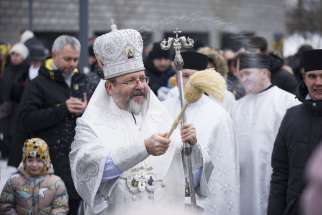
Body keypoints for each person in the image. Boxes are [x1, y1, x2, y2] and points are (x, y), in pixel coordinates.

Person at [70, 28, 211, 214]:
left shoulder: (160, 117)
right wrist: (143, 148)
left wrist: (192, 149)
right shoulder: (90, 125)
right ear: (110, 87)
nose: (141, 86)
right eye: (130, 81)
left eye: (142, 78)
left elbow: (192, 180)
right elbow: (88, 172)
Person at [163, 51, 239, 214]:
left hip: (202, 201)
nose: (187, 82)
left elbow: (222, 169)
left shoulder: (218, 115)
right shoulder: (162, 109)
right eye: (183, 76)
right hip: (167, 197)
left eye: (192, 76)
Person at [18, 35, 88, 214]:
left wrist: (87, 111)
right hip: (46, 166)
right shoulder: (38, 84)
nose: (72, 63)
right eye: (67, 59)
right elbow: (26, 120)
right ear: (54, 55)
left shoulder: (81, 80)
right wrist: (62, 109)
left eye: (75, 59)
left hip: (75, 166)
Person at [232, 53, 300, 215]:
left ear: (265, 73)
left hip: (275, 182)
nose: (244, 79)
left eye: (248, 73)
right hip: (244, 185)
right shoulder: (236, 107)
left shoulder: (288, 102)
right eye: (241, 75)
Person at [268, 49, 322, 215]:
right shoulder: (292, 117)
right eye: (312, 76)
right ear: (304, 79)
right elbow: (280, 174)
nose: (318, 82)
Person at [0, 138, 69, 214]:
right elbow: (5, 205)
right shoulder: (13, 181)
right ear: (24, 161)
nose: (34, 164)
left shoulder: (56, 183)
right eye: (30, 160)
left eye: (39, 161)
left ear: (46, 162)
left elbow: (61, 207)